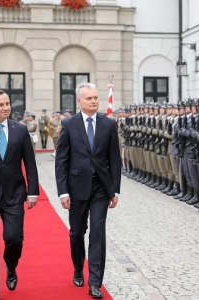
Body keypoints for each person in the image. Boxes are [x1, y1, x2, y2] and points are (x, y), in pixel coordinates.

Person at [55, 82, 121, 299]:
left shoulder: (108, 124)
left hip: (101, 188)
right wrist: (63, 191)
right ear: (79, 101)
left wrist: (114, 190)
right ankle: (77, 268)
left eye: (95, 97)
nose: (94, 101)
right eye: (89, 98)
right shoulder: (69, 124)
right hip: (76, 188)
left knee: (98, 232)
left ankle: (95, 282)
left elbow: (114, 159)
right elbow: (62, 160)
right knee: (76, 232)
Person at [0, 90, 39, 300]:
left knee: (14, 238)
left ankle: (11, 265)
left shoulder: (20, 130)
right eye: (0, 105)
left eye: (7, 103)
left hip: (14, 194)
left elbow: (30, 164)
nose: (6, 108)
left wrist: (32, 192)